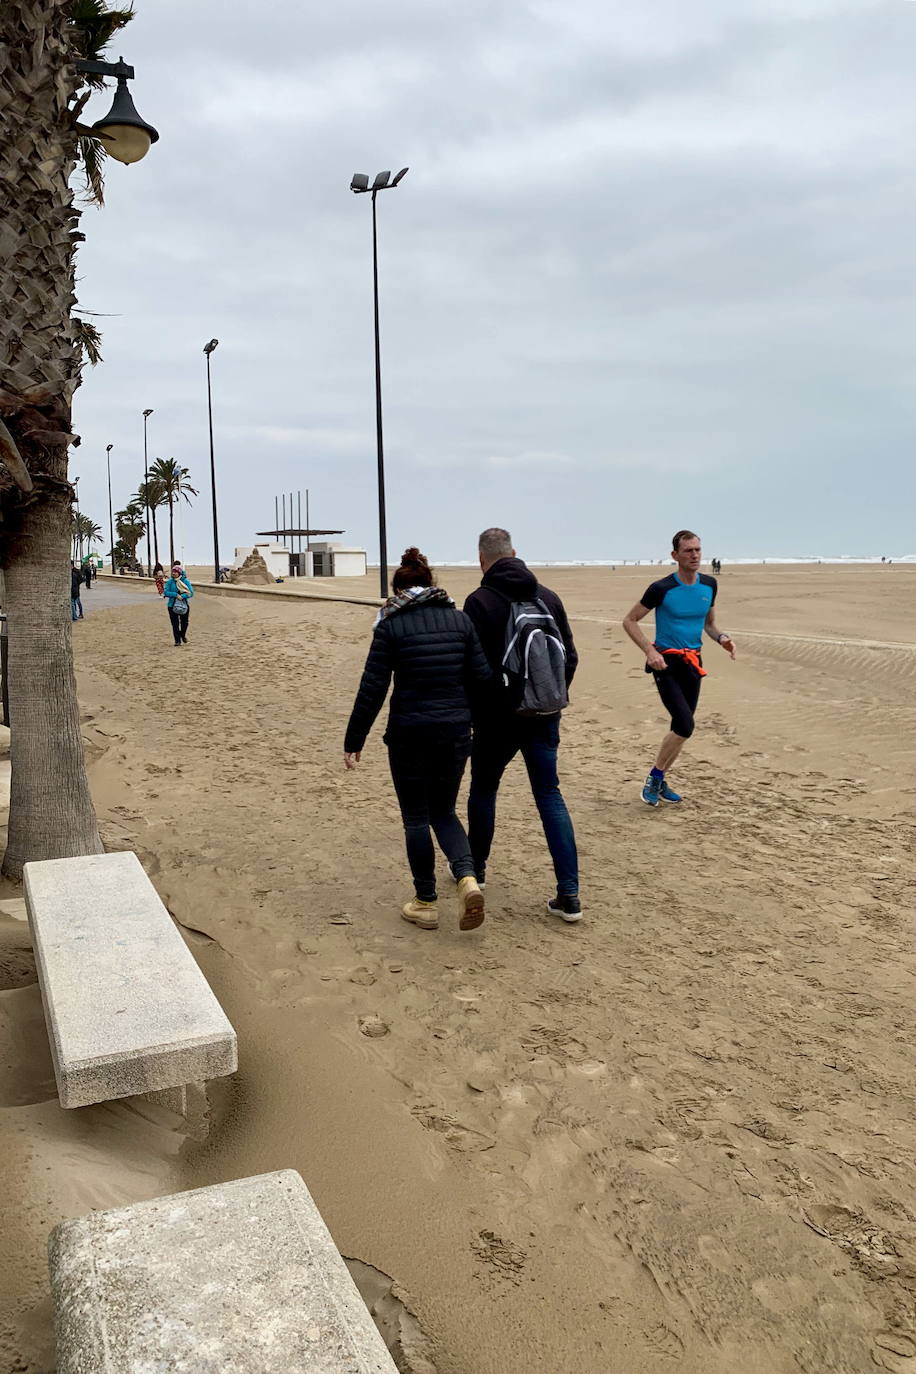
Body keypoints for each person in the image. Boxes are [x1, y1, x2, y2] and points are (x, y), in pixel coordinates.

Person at [344, 547, 491, 933]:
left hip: (410, 734)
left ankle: (425, 902)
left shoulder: (390, 626)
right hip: (456, 731)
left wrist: (354, 739)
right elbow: (482, 680)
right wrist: (473, 724)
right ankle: (467, 878)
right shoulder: (460, 622)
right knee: (444, 810)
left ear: (397, 590)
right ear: (432, 585)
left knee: (416, 817)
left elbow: (372, 688)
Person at [463, 527, 582, 923]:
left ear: (482, 560)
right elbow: (571, 658)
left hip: (497, 720)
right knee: (550, 796)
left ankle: (475, 871)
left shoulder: (479, 602)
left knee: (484, 788)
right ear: (515, 553)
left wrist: (481, 712)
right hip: (545, 716)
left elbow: (472, 670)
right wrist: (547, 695)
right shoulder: (548, 598)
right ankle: (569, 895)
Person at [623, 530, 736, 806]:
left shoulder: (709, 584)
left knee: (680, 727)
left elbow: (708, 623)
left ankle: (660, 781)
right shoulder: (661, 588)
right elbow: (629, 620)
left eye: (698, 549)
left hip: (693, 663)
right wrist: (650, 651)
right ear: (675, 555)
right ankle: (654, 777)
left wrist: (722, 638)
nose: (695, 555)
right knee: (686, 725)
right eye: (688, 550)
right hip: (666, 662)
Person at [163, 562, 193, 645]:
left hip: (184, 605)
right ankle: (177, 641)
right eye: (172, 572)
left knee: (185, 623)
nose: (173, 573)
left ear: (179, 573)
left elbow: (190, 593)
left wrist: (182, 596)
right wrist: (175, 595)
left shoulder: (185, 581)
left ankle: (182, 635)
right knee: (175, 624)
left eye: (175, 572)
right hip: (172, 605)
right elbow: (165, 592)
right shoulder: (170, 582)